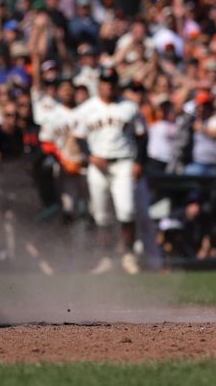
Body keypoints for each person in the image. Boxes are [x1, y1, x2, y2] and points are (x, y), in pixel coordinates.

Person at [73, 67, 147, 275]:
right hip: (98, 166)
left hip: (123, 162)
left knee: (127, 209)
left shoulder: (129, 107)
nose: (109, 85)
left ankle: (129, 256)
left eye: (112, 82)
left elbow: (142, 136)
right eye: (105, 81)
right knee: (101, 215)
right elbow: (79, 138)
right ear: (99, 84)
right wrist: (90, 156)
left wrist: (139, 162)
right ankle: (106, 258)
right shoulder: (87, 108)